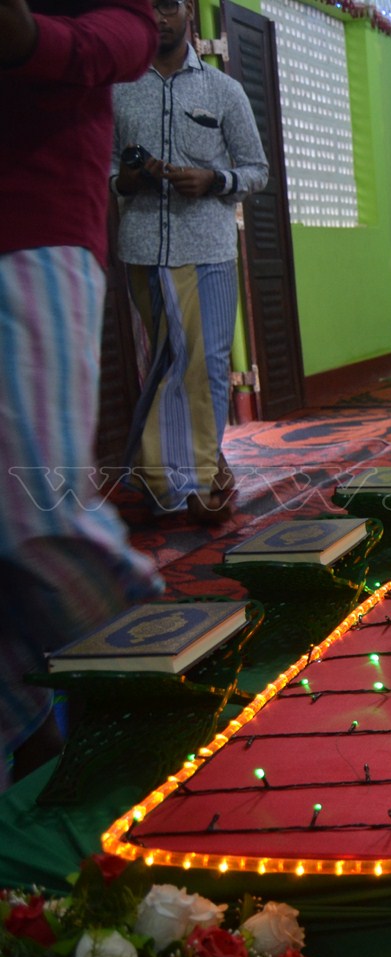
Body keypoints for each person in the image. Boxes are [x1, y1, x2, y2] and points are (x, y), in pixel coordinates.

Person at [0, 0, 164, 787]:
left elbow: (127, 28)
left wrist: (32, 39)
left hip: (32, 215)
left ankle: (179, 692)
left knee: (32, 511)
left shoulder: (218, 91)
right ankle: (35, 758)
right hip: (133, 236)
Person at [114, 0, 268, 524]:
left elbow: (256, 169)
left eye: (168, 5)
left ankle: (193, 478)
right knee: (167, 364)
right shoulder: (117, 89)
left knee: (205, 365)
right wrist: (125, 179)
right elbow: (104, 166)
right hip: (142, 250)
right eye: (148, 6)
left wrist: (214, 180)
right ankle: (182, 472)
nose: (158, 17)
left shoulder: (223, 90)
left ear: (187, 11)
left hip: (208, 250)